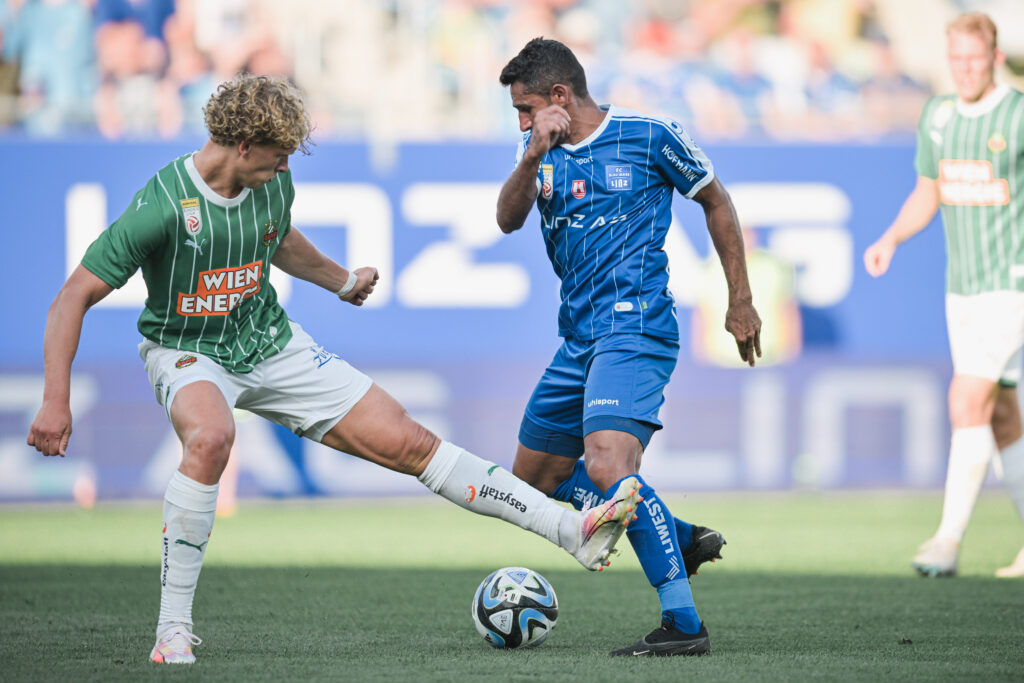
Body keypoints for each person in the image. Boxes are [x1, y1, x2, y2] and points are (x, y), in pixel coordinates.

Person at [25, 74, 643, 665]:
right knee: (211, 438)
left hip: (269, 343)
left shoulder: (269, 184)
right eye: (277, 155)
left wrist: (340, 280)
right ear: (242, 145)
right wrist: (56, 400)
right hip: (186, 350)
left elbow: (279, 238)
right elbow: (70, 298)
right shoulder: (159, 208)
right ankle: (172, 632)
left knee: (413, 442)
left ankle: (573, 533)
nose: (286, 167)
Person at [496, 38, 762, 656]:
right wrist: (532, 152)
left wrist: (739, 299)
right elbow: (508, 218)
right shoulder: (538, 150)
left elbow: (716, 200)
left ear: (560, 97)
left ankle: (684, 624)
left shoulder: (650, 134)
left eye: (525, 108)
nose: (520, 120)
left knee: (609, 467)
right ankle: (675, 532)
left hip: (635, 326)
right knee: (532, 480)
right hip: (577, 338)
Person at [863, 12, 1024, 579]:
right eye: (955, 59)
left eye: (974, 59)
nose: (964, 69)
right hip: (965, 289)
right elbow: (928, 192)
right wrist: (892, 238)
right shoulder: (938, 115)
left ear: (994, 57)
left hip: (1014, 284)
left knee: (965, 400)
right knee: (1002, 416)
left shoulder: (1019, 114)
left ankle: (947, 541)